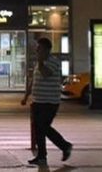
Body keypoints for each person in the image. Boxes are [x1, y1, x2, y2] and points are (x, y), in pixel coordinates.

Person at [21, 37, 73, 166]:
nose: (37, 50)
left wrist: (40, 62)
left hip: (50, 102)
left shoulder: (53, 62)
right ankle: (42, 157)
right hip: (38, 101)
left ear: (46, 49)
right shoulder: (38, 63)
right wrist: (26, 96)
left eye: (39, 48)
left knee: (43, 127)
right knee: (38, 129)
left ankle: (65, 146)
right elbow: (34, 80)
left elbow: (46, 74)